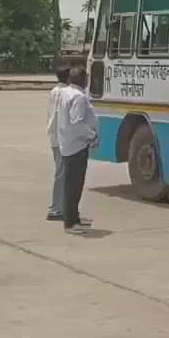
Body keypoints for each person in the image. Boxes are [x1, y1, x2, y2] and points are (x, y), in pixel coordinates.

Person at [57, 67, 98, 235]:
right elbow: (77, 122)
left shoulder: (65, 92)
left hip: (67, 143)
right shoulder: (79, 97)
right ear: (82, 80)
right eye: (86, 78)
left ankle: (74, 217)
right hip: (77, 146)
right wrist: (92, 135)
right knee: (74, 186)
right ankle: (70, 223)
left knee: (72, 185)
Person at [45, 64, 72, 221]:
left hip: (54, 136)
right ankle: (56, 209)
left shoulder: (54, 91)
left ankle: (59, 205)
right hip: (63, 139)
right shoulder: (65, 93)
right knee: (62, 174)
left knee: (61, 172)